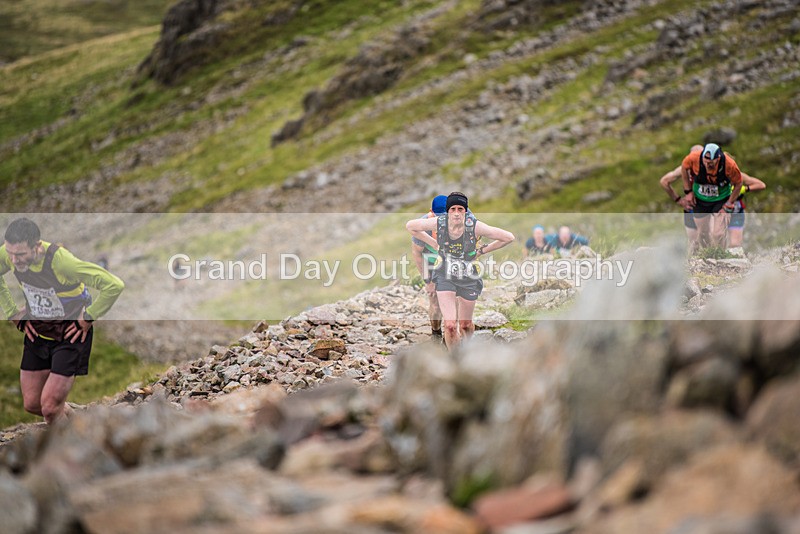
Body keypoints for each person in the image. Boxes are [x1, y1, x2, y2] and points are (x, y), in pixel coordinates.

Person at [0, 218, 125, 424]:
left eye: (20, 255)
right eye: (10, 253)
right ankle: (79, 424)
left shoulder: (62, 262)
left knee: (49, 408)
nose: (13, 260)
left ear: (37, 246)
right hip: (38, 332)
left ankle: (68, 441)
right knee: (33, 404)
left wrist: (88, 317)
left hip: (70, 333)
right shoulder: (9, 255)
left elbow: (114, 285)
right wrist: (12, 312)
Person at [406, 192, 514, 348]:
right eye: (452, 210)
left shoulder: (471, 222)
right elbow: (415, 247)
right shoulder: (433, 222)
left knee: (465, 324)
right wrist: (428, 277)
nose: (456, 214)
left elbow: (507, 237)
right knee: (446, 318)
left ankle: (463, 346)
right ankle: (441, 339)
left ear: (465, 211)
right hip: (440, 268)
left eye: (460, 209)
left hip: (466, 272)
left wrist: (480, 251)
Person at [680, 143, 743, 249]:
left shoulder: (729, 164)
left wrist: (729, 203)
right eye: (705, 161)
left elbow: (739, 183)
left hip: (721, 199)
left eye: (711, 163)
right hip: (700, 199)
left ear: (718, 158)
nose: (707, 164)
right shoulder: (694, 157)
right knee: (702, 233)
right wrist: (688, 192)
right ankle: (707, 254)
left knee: (718, 234)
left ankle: (720, 254)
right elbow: (683, 167)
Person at [410, 195, 448, 343]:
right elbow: (417, 254)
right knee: (435, 301)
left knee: (456, 299)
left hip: (453, 261)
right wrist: (428, 281)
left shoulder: (462, 216)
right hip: (431, 262)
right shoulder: (423, 225)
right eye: (438, 217)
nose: (442, 220)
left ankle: (452, 335)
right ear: (431, 212)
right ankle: (436, 332)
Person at [660, 144, 703, 245]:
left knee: (706, 239)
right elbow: (664, 181)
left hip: (706, 207)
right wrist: (678, 200)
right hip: (692, 207)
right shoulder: (684, 168)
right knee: (694, 242)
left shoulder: (710, 167)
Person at [728, 174, 766, 247]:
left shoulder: (738, 174)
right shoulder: (713, 174)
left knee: (735, 244)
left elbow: (761, 185)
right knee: (717, 240)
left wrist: (744, 189)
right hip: (718, 214)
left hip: (736, 214)